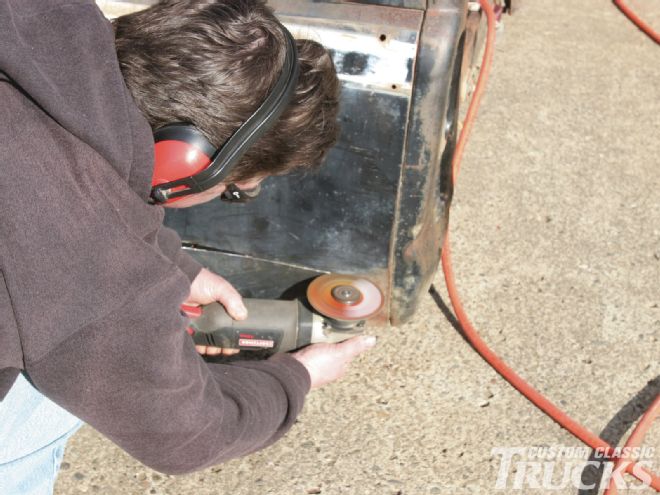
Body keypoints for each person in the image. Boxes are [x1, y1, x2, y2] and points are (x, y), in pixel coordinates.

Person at [0, 0, 377, 493]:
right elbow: (190, 433)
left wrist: (171, 262)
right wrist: (294, 379)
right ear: (183, 161)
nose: (231, 195)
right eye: (236, 187)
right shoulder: (88, 259)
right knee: (64, 388)